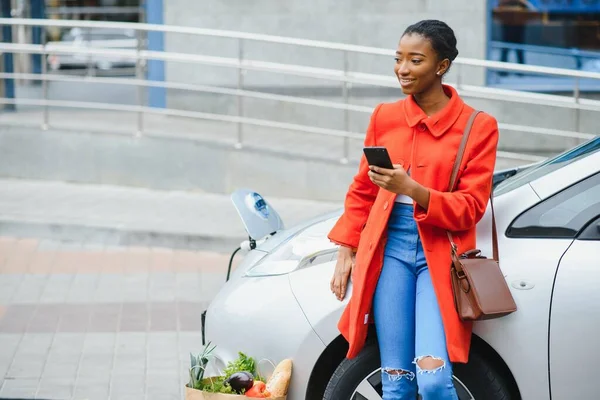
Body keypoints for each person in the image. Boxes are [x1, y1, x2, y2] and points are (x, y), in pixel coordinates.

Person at [328, 20, 499, 399]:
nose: (402, 69)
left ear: (441, 66)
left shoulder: (477, 126)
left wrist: (414, 190)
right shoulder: (384, 116)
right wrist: (346, 247)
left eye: (415, 60)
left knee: (434, 378)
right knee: (396, 381)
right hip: (388, 249)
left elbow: (471, 207)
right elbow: (362, 190)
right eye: (398, 59)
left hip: (440, 253)